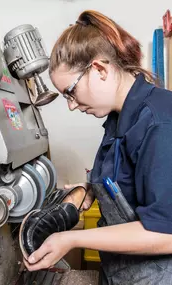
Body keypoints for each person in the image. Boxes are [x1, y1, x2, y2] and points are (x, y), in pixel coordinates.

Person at [22, 10, 172, 285]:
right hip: (121, 273)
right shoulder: (118, 120)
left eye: (70, 91)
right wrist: (86, 192)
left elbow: (166, 233)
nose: (71, 105)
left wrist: (72, 239)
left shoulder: (159, 122)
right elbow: (124, 185)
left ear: (99, 70)